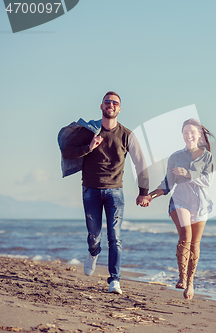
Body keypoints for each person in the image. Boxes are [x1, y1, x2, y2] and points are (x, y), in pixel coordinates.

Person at [62, 91, 149, 294]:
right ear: (101, 106)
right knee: (94, 235)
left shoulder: (127, 135)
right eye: (107, 102)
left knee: (115, 236)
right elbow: (67, 151)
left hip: (115, 193)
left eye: (115, 103)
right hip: (90, 190)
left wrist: (143, 191)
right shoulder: (89, 132)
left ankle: (115, 280)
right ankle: (93, 252)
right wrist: (89, 146)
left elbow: (140, 164)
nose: (111, 105)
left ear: (119, 109)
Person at [145, 118, 214, 299]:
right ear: (182, 135)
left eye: (192, 132)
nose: (189, 135)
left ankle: (190, 283)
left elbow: (208, 181)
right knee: (186, 237)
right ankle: (182, 277)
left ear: (199, 135)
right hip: (180, 201)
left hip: (200, 204)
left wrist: (188, 173)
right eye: (185, 133)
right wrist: (150, 196)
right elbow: (167, 184)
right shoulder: (175, 157)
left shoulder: (207, 157)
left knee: (195, 245)